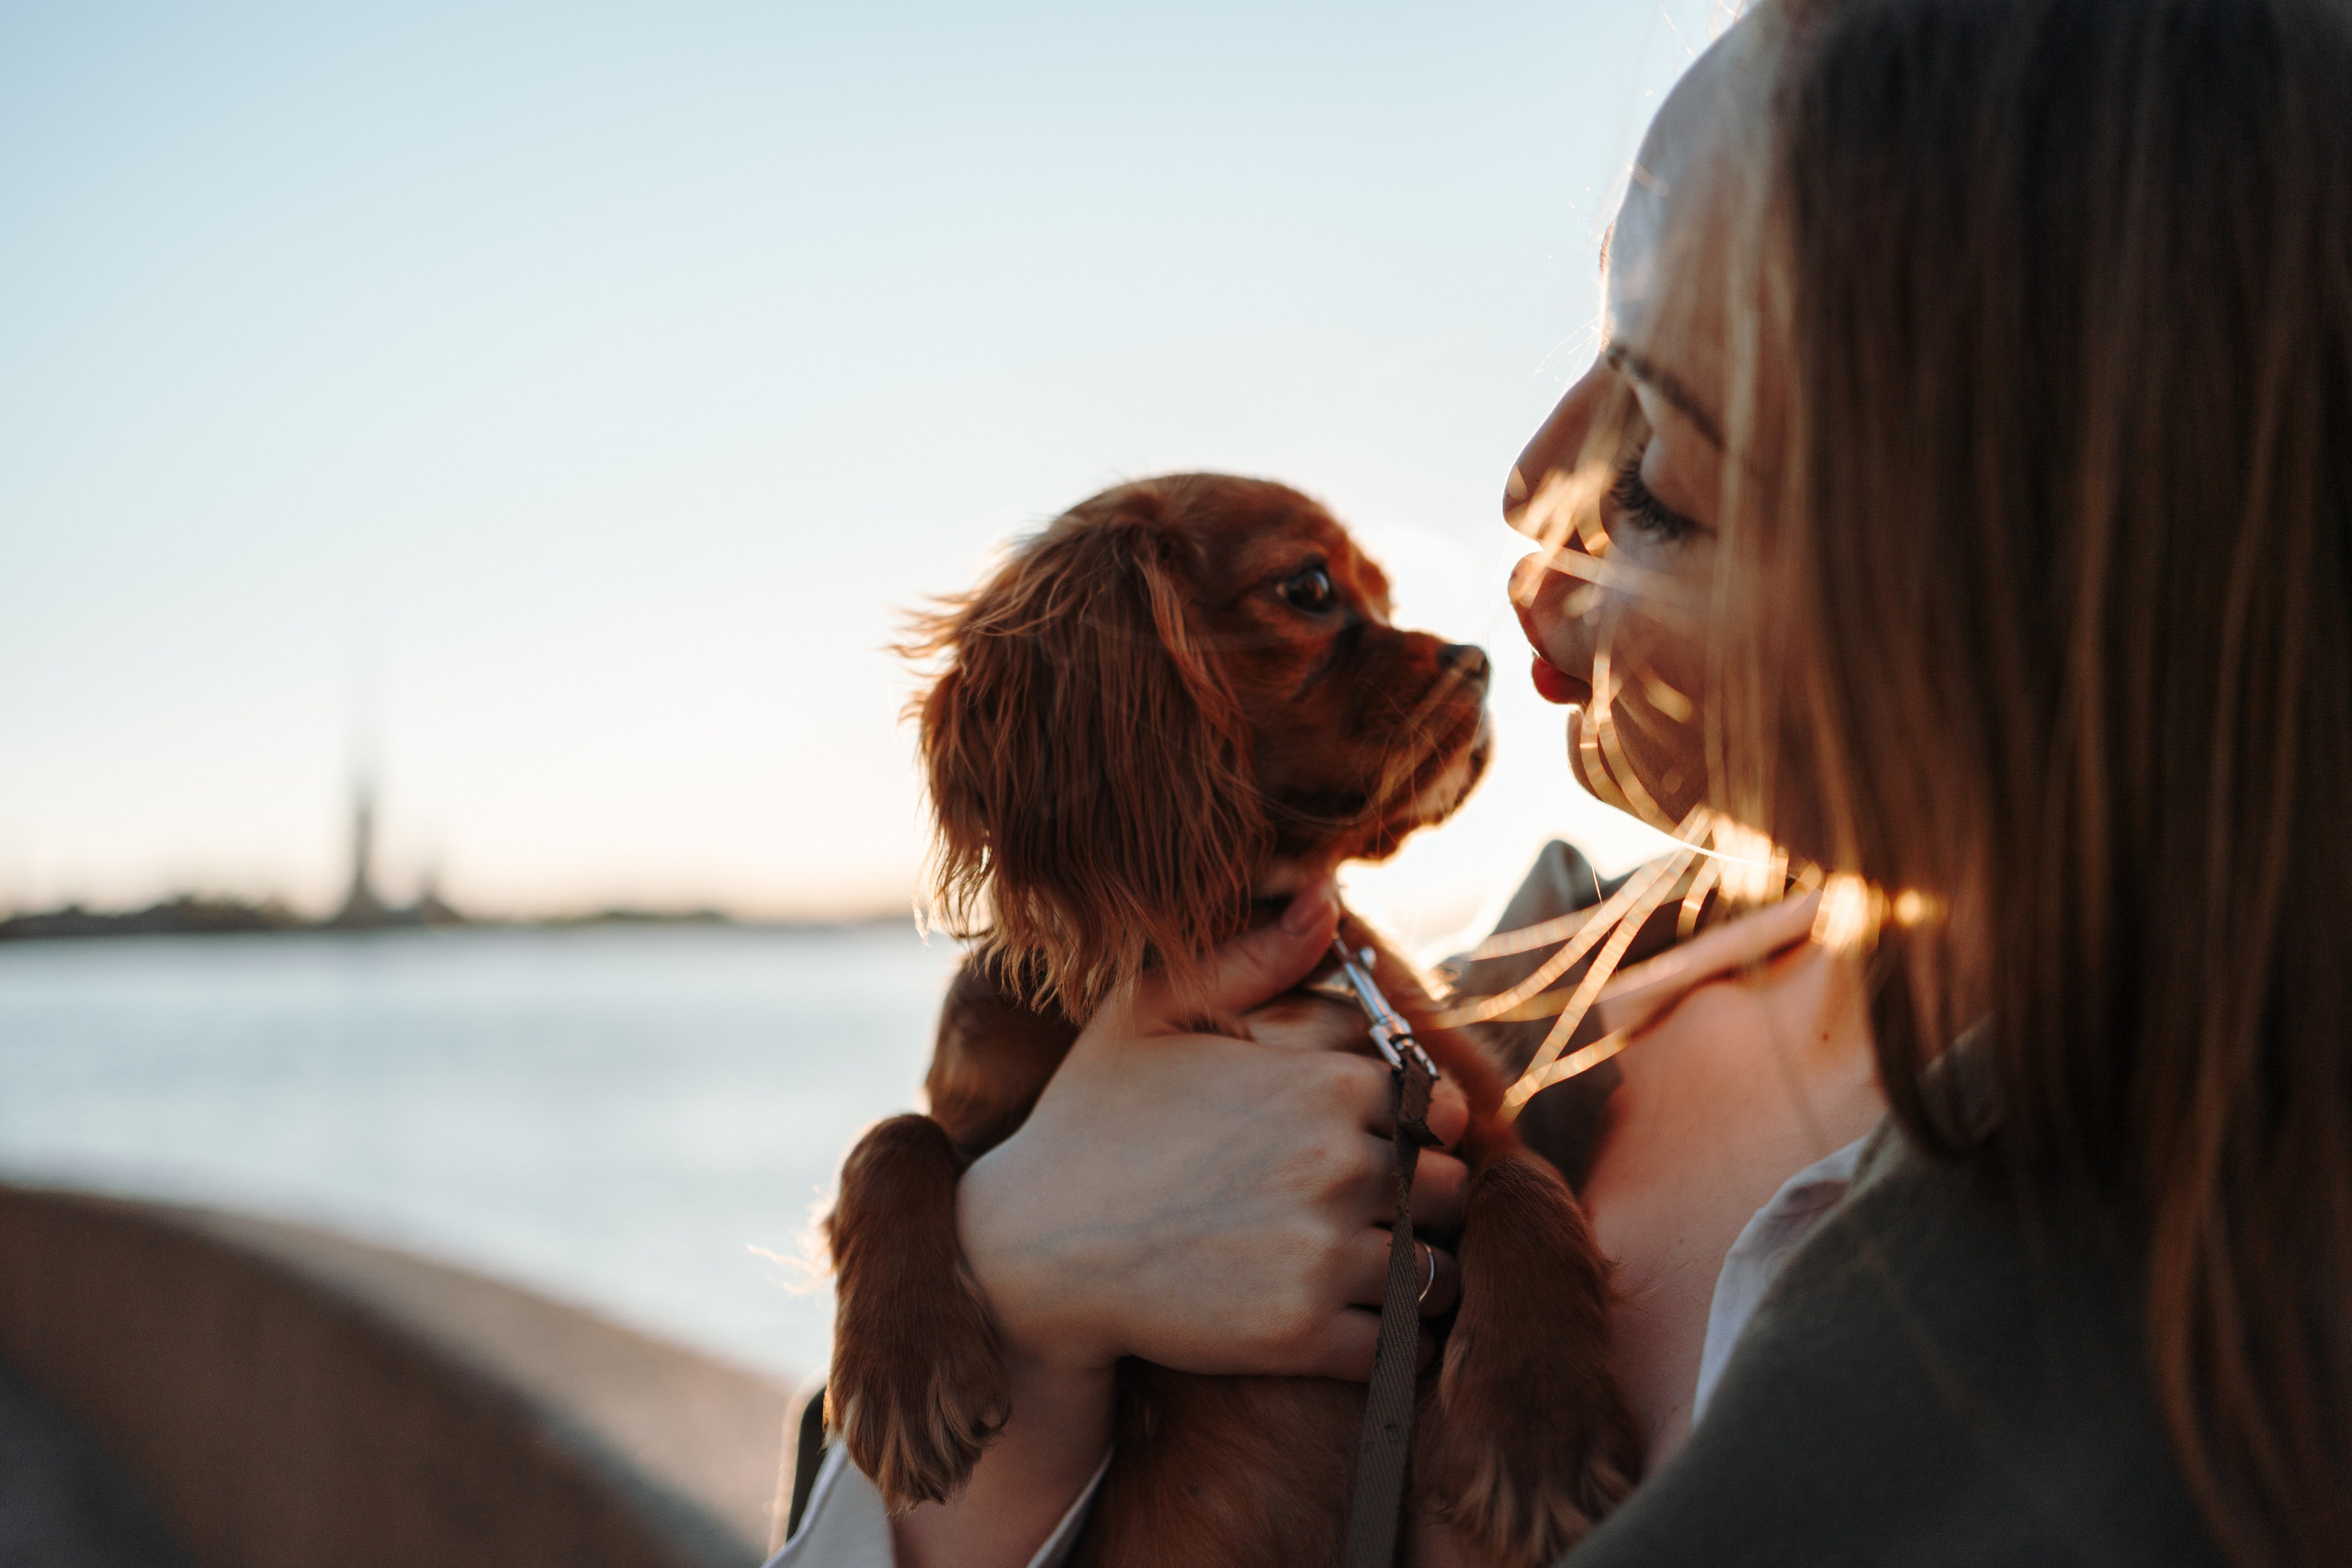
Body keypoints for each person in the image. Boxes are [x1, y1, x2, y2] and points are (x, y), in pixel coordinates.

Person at [777, 0, 2352, 1561]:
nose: (1532, 484)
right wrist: (1025, 1287)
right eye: (1600, 348)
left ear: (2041, 576)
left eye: (1659, 461)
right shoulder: (1525, 978)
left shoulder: (2235, 1305)